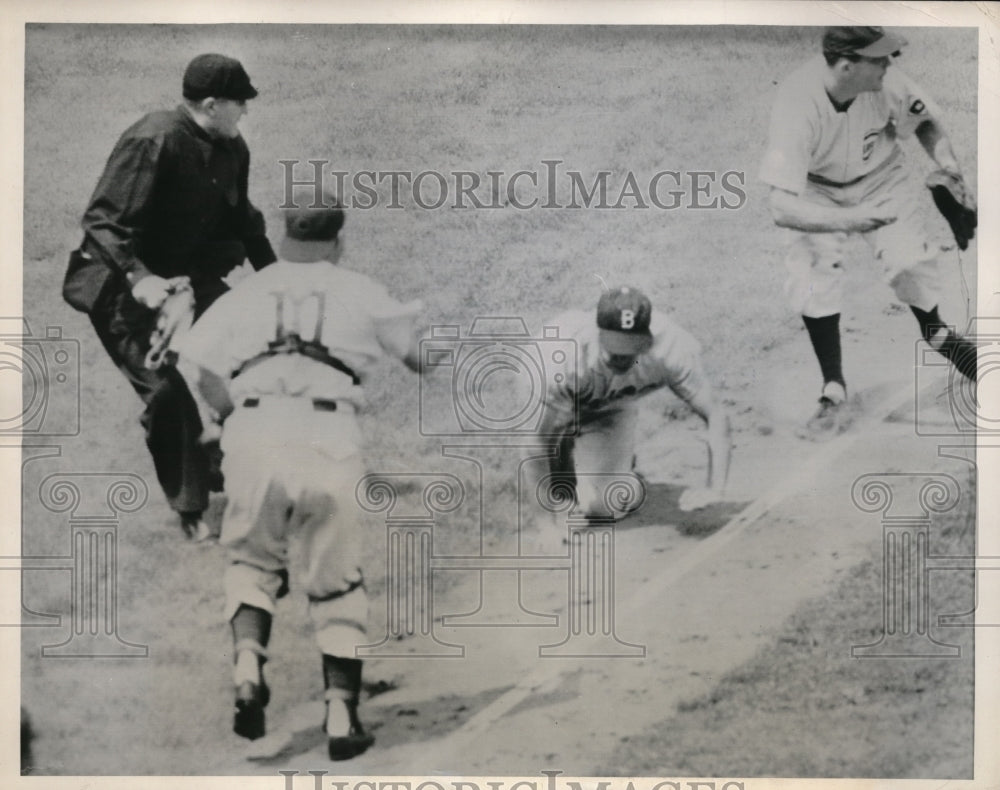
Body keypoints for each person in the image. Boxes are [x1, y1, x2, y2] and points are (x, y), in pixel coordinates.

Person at [174, 195, 425, 760]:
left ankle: (247, 669)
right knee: (336, 580)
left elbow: (197, 364)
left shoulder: (248, 293)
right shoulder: (359, 289)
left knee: (251, 562)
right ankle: (341, 717)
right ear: (338, 241)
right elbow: (420, 356)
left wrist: (227, 415)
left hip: (254, 436)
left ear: (285, 239)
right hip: (328, 441)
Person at [62, 53, 276, 538]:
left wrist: (279, 284)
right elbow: (102, 222)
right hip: (120, 284)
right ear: (210, 103)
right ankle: (191, 508)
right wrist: (141, 280)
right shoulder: (153, 139)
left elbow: (244, 221)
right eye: (239, 103)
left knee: (256, 351)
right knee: (164, 394)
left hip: (187, 276)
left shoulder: (231, 147)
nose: (245, 111)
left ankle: (227, 457)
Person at [759, 26, 978, 436]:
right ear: (847, 66)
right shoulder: (796, 104)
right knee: (811, 275)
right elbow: (780, 206)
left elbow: (925, 123)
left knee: (909, 263)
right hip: (815, 191)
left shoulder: (885, 81)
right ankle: (833, 389)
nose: (889, 65)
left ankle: (940, 336)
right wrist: (848, 221)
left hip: (882, 178)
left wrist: (950, 169)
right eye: (878, 58)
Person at [529, 286, 731, 526]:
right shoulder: (564, 357)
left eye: (630, 347)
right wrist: (545, 525)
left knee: (604, 506)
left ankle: (622, 472)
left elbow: (716, 414)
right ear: (598, 332)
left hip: (609, 404)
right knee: (554, 482)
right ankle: (566, 466)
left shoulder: (671, 347)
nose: (622, 358)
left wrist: (714, 489)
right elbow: (535, 444)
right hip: (551, 389)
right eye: (614, 347)